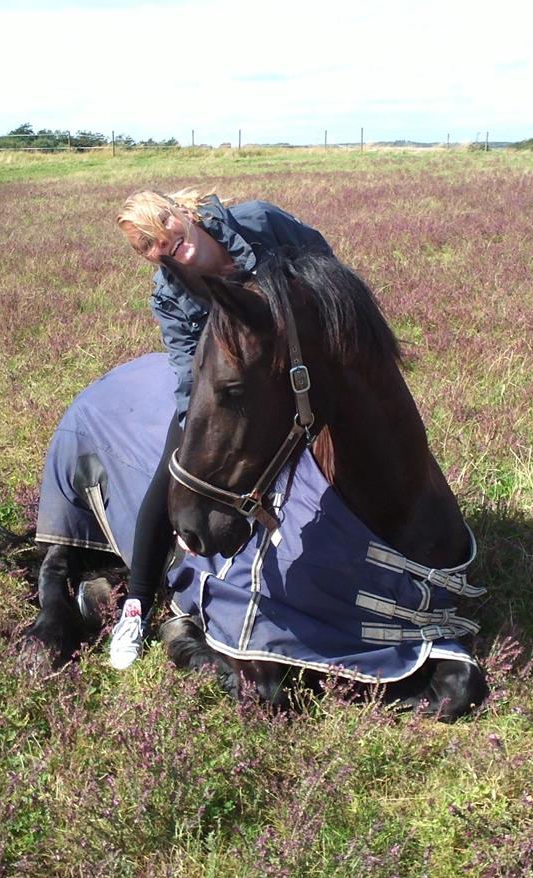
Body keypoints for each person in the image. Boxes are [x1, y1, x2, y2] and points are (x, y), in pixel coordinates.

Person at [109, 187, 334, 668]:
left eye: (164, 229)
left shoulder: (260, 222)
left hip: (305, 366)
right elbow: (189, 373)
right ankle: (137, 604)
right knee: (171, 474)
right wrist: (199, 431)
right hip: (237, 389)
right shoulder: (169, 295)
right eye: (151, 247)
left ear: (180, 211)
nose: (167, 248)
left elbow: (328, 271)